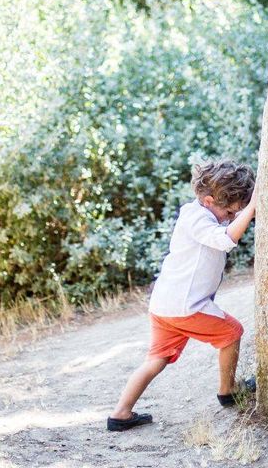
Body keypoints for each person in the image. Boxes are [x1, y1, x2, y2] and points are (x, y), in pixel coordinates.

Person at [107, 160, 257, 431]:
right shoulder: (197, 218)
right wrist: (253, 206)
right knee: (232, 332)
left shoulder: (197, 212)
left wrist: (241, 209)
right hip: (187, 306)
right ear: (209, 200)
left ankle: (121, 413)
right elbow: (226, 240)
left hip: (165, 305)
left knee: (156, 359)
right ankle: (228, 391)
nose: (231, 217)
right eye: (229, 211)